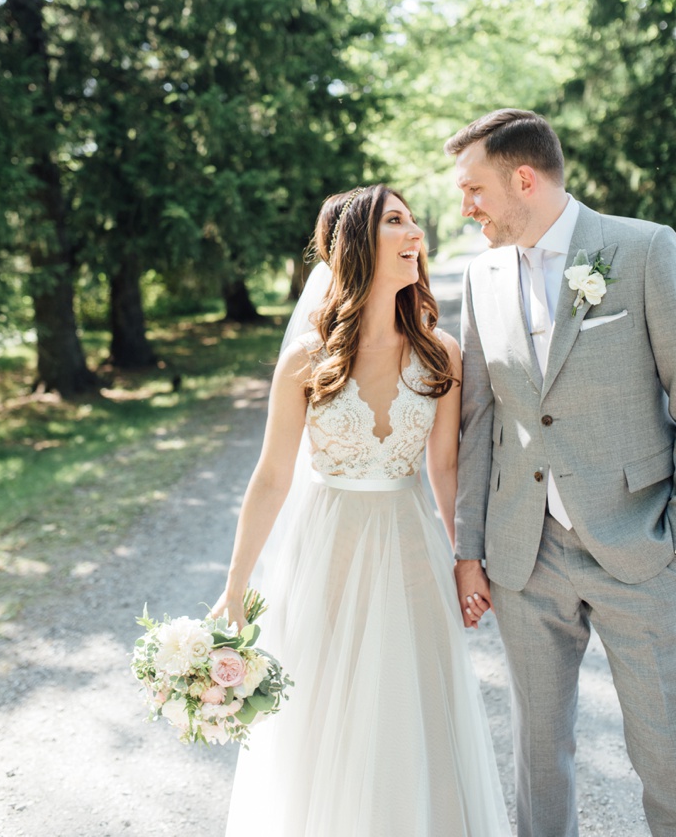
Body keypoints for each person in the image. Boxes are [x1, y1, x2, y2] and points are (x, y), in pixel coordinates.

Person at [212, 184, 509, 835]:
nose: (416, 234)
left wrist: (467, 560)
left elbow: (445, 467)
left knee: (413, 718)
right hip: (328, 552)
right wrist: (235, 587)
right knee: (323, 720)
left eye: (413, 221)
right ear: (357, 243)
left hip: (410, 550)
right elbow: (271, 477)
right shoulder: (306, 361)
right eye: (395, 221)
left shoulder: (442, 354)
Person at [448, 109, 676, 837]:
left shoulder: (644, 250)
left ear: (523, 179)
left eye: (474, 189)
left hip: (640, 543)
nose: (466, 208)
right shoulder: (479, 275)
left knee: (666, 752)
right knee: (539, 758)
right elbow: (480, 419)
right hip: (526, 555)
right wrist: (469, 549)